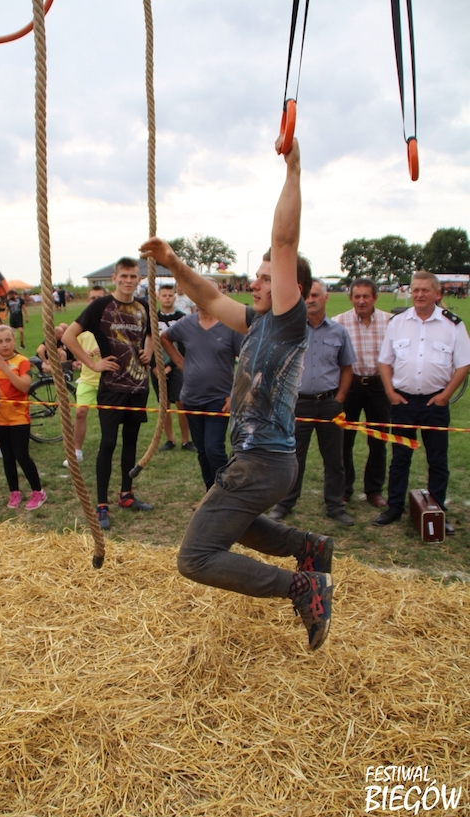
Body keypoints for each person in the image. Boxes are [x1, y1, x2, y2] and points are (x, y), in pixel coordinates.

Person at [140, 136, 334, 652]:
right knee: (235, 523)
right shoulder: (258, 322)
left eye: (267, 278)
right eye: (258, 277)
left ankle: (303, 586)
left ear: (291, 288)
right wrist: (173, 260)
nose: (257, 283)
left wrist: (293, 170)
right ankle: (309, 547)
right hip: (261, 461)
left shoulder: (288, 320)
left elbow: (284, 241)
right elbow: (207, 295)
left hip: (262, 463)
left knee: (195, 557)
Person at [374, 270, 470, 533]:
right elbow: (385, 361)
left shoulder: (453, 325)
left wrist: (445, 396)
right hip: (403, 403)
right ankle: (394, 507)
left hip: (434, 405)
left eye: (425, 290)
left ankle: (437, 509)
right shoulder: (398, 322)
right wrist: (390, 393)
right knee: (400, 458)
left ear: (437, 294)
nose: (418, 294)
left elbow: (464, 364)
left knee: (437, 460)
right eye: (415, 290)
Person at [63, 257, 153, 531]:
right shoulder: (101, 306)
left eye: (133, 276)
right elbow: (68, 337)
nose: (128, 281)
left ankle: (126, 494)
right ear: (114, 278)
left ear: (139, 279)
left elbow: (150, 334)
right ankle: (102, 504)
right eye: (123, 276)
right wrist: (92, 364)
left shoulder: (144, 307)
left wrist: (148, 351)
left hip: (138, 387)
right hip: (112, 388)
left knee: (131, 442)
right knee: (109, 443)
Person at [268, 279, 356, 527]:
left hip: (329, 403)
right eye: (307, 295)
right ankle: (285, 503)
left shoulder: (339, 332)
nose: (310, 299)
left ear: (326, 298)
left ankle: (335, 505)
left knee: (335, 458)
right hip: (298, 404)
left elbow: (347, 367)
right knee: (293, 457)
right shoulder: (291, 330)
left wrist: (339, 400)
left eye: (316, 295)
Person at [161, 291, 243, 490]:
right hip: (191, 397)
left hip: (219, 398)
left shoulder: (230, 326)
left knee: (214, 448)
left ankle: (224, 492)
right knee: (202, 451)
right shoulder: (186, 323)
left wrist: (234, 394)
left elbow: (246, 362)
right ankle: (210, 492)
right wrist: (180, 362)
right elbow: (165, 338)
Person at [333, 278, 392, 508]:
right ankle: (344, 489)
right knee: (344, 441)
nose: (361, 301)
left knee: (378, 441)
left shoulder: (390, 322)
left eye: (366, 296)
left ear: (375, 297)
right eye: (357, 296)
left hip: (379, 387)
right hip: (350, 386)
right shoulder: (339, 323)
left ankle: (374, 490)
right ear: (350, 298)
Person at [0, 325, 47, 511]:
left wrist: (6, 369)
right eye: (0, 341)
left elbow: (24, 387)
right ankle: (14, 492)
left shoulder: (22, 361)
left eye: (8, 340)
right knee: (7, 456)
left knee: (21, 455)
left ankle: (38, 491)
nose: (4, 345)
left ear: (14, 341)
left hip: (19, 417)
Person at [63, 285, 106, 465]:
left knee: (106, 416)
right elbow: (72, 349)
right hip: (87, 378)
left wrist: (105, 351)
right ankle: (76, 451)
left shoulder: (111, 324)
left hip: (107, 380)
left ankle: (106, 448)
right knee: (80, 413)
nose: (96, 302)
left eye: (99, 298)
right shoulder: (81, 325)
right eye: (93, 298)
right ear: (88, 301)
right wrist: (82, 355)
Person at [152, 283, 195, 452]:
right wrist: (155, 366)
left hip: (177, 366)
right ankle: (170, 439)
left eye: (170, 295)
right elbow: (148, 344)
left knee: (181, 402)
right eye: (164, 295)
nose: (167, 298)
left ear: (175, 297)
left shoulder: (182, 318)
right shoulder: (153, 318)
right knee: (164, 405)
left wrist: (171, 365)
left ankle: (186, 441)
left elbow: (185, 344)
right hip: (157, 366)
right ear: (158, 297)